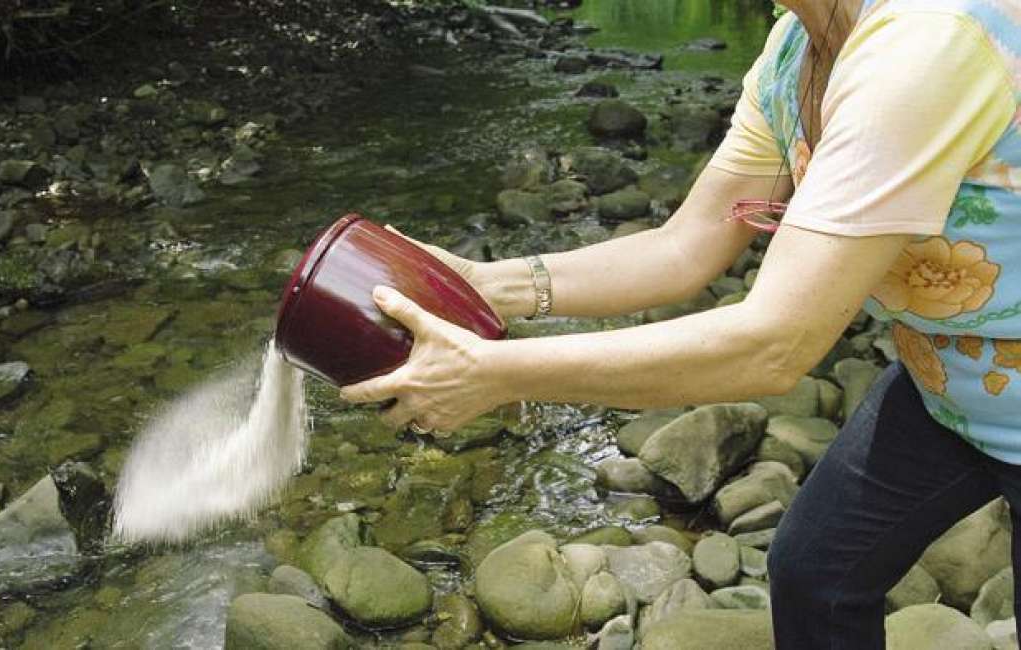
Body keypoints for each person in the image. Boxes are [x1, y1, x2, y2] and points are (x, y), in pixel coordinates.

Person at [341, 0, 1021, 646]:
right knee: (817, 573)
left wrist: (489, 374)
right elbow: (685, 245)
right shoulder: (797, 51)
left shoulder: (928, 42)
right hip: (947, 386)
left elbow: (773, 346)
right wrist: (487, 286)